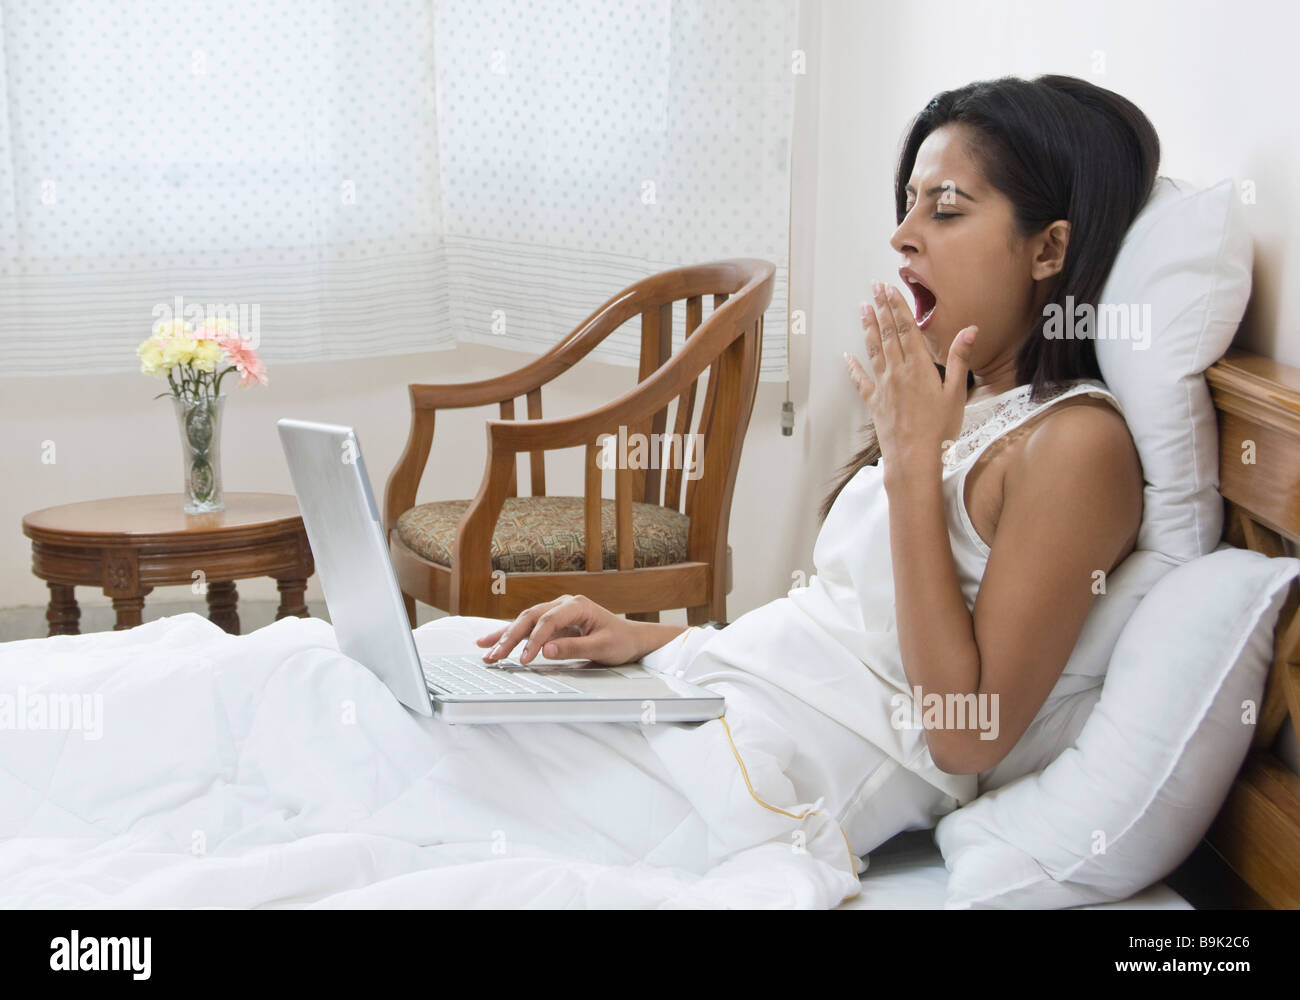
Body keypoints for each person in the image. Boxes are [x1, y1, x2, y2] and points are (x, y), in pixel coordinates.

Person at [470, 72, 1154, 863]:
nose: (903, 235)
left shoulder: (1075, 445)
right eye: (906, 203)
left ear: (1050, 248)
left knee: (444, 782)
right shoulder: (950, 405)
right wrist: (646, 638)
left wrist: (908, 466)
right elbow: (834, 628)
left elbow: (967, 737)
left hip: (767, 772)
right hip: (717, 694)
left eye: (946, 208)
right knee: (422, 689)